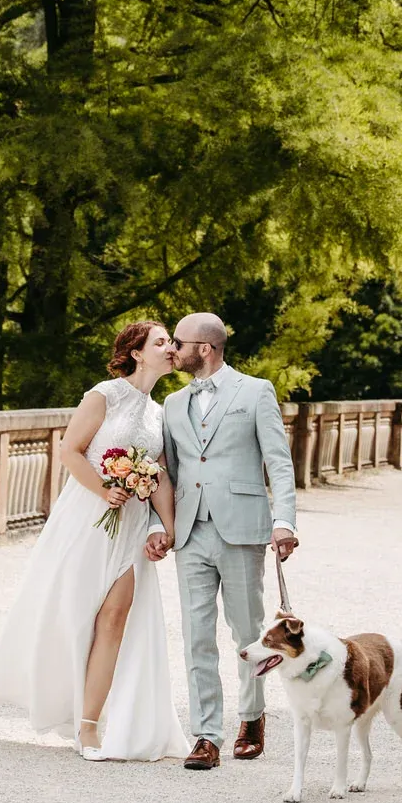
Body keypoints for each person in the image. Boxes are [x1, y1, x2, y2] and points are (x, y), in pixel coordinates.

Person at [0, 321, 188, 762]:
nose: (171, 348)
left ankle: (90, 724)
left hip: (129, 522)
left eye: (172, 342)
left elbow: (161, 473)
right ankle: (57, 699)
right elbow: (70, 449)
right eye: (162, 342)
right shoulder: (103, 395)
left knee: (114, 618)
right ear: (136, 352)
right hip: (88, 515)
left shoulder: (159, 413)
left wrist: (167, 529)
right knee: (73, 615)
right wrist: (105, 489)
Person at [146, 311, 298, 770]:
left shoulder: (255, 391)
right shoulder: (173, 405)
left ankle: (251, 718)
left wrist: (285, 520)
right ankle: (206, 735)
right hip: (190, 531)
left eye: (180, 342)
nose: (173, 349)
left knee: (248, 631)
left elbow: (279, 461)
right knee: (196, 636)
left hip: (243, 528)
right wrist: (161, 527)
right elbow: (166, 473)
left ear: (205, 349)